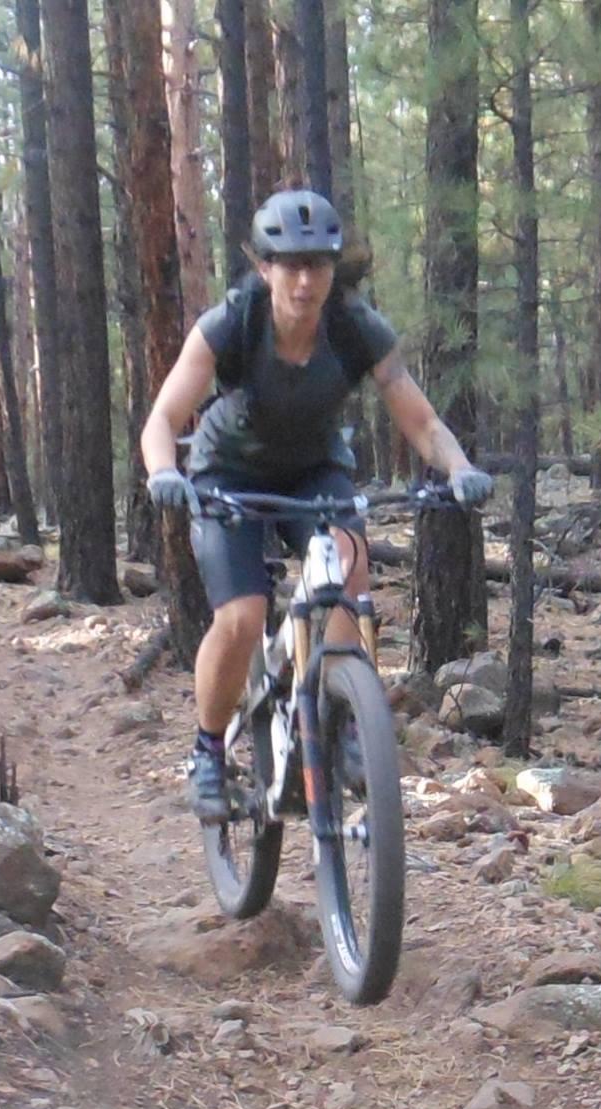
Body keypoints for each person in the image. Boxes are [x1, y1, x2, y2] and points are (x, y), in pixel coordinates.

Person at [141, 189, 492, 823]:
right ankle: (209, 752)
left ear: (334, 269)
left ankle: (341, 719)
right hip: (228, 474)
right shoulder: (233, 322)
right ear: (265, 266)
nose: (304, 281)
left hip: (315, 472)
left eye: (318, 266)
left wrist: (460, 467)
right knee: (243, 617)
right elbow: (163, 417)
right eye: (290, 264)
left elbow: (421, 420)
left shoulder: (356, 328)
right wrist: (164, 471)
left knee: (346, 582)